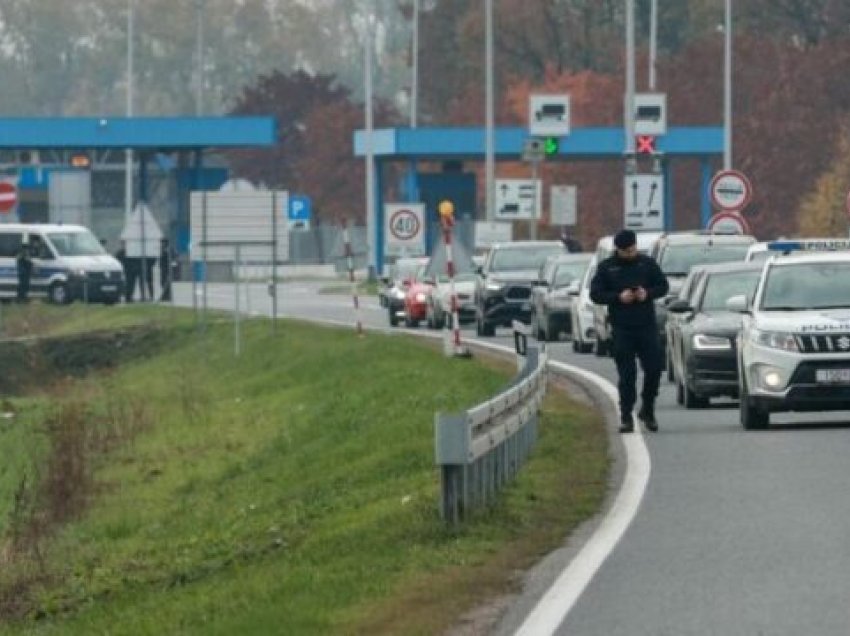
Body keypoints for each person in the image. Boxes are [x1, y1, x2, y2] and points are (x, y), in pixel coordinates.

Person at [590, 229, 669, 433]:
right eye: (625, 251)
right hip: (622, 327)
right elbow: (596, 294)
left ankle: (648, 408)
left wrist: (647, 293)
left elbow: (663, 286)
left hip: (646, 326)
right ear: (618, 250)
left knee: (654, 369)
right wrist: (618, 297)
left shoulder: (647, 264)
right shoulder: (607, 268)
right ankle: (626, 416)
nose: (629, 253)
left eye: (632, 249)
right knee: (627, 375)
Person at [15, 236, 35, 302]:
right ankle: (21, 298)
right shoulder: (22, 253)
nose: (27, 249)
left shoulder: (22, 253)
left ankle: (22, 298)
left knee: (24, 285)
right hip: (23, 272)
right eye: (26, 247)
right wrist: (32, 263)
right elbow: (27, 261)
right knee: (23, 286)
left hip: (23, 272)